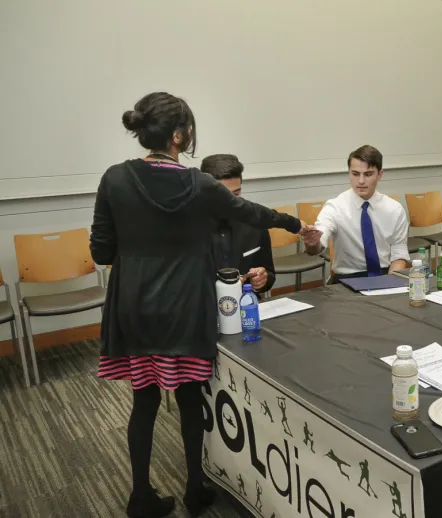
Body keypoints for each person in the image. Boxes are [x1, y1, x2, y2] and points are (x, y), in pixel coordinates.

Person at [91, 92, 307, 518]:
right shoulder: (199, 185)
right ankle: (195, 489)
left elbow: (101, 252)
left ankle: (139, 497)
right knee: (192, 400)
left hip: (134, 306)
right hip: (187, 306)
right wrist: (296, 224)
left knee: (145, 401)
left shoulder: (114, 178)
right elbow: (250, 212)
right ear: (178, 136)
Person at [303, 145, 410, 281]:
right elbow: (319, 242)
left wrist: (389, 284)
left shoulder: (394, 210)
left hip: (385, 273)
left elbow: (399, 256)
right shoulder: (335, 207)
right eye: (355, 174)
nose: (360, 181)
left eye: (368, 174)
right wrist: (313, 243)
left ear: (379, 175)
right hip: (347, 277)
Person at [201, 154, 275, 298]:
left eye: (236, 193)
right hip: (203, 313)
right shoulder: (187, 226)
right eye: (222, 195)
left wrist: (262, 279)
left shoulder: (255, 221)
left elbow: (269, 274)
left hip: (246, 308)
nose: (231, 203)